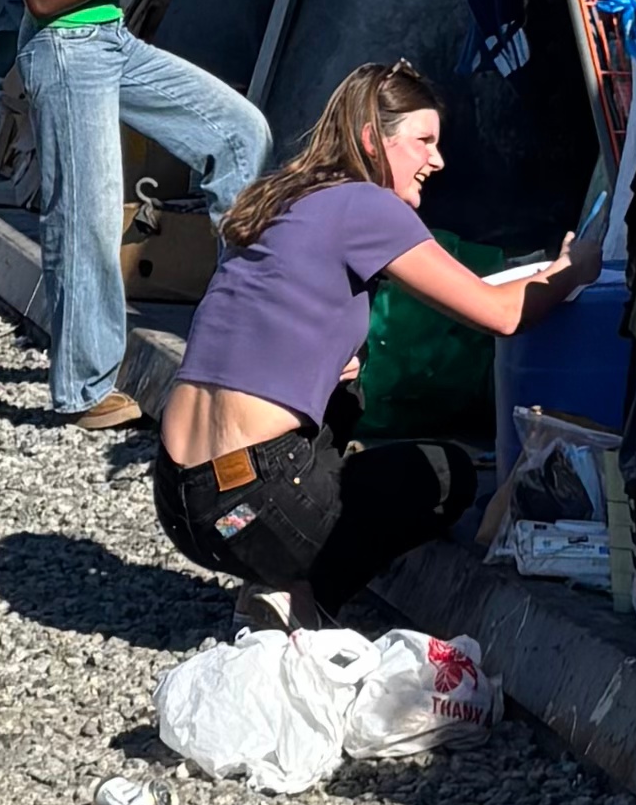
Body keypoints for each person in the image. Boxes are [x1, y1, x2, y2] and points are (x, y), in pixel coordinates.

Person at [151, 55, 596, 619]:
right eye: (424, 140)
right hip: (255, 502)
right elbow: (500, 313)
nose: (437, 159)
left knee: (346, 392)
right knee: (446, 474)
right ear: (370, 139)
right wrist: (573, 270)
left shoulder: (281, 198)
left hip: (181, 497)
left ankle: (269, 578)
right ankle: (298, 600)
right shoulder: (368, 205)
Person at [2, 0, 270, 426]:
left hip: (111, 41)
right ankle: (84, 392)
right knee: (87, 219)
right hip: (65, 51)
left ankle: (241, 318)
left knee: (239, 130)